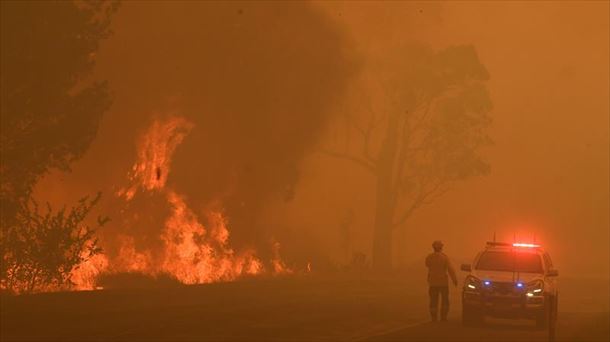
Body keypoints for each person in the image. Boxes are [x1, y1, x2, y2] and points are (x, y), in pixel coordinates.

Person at [425, 240, 457, 322]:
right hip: (443, 283)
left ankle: (433, 318)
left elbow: (427, 265)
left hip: (432, 283)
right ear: (441, 248)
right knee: (445, 300)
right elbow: (450, 270)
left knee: (433, 300)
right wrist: (454, 280)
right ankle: (443, 317)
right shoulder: (444, 257)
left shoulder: (429, 257)